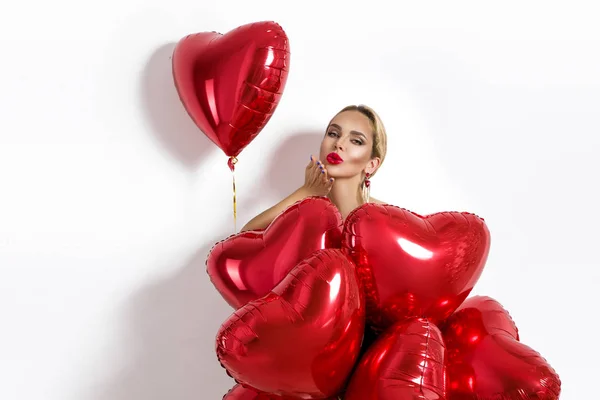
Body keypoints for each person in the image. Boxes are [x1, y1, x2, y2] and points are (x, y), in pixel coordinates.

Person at [241, 104, 388, 232]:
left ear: (372, 165)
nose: (338, 144)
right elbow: (243, 239)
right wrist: (306, 191)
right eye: (333, 134)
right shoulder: (306, 214)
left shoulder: (387, 218)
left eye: (356, 141)